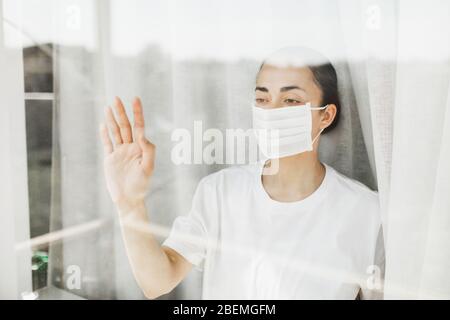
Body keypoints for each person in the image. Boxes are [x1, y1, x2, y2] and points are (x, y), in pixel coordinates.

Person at [99, 47, 384, 299]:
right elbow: (156, 283)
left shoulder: (365, 212)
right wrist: (129, 204)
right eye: (262, 99)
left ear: (326, 115)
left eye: (290, 101)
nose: (271, 111)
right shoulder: (220, 192)